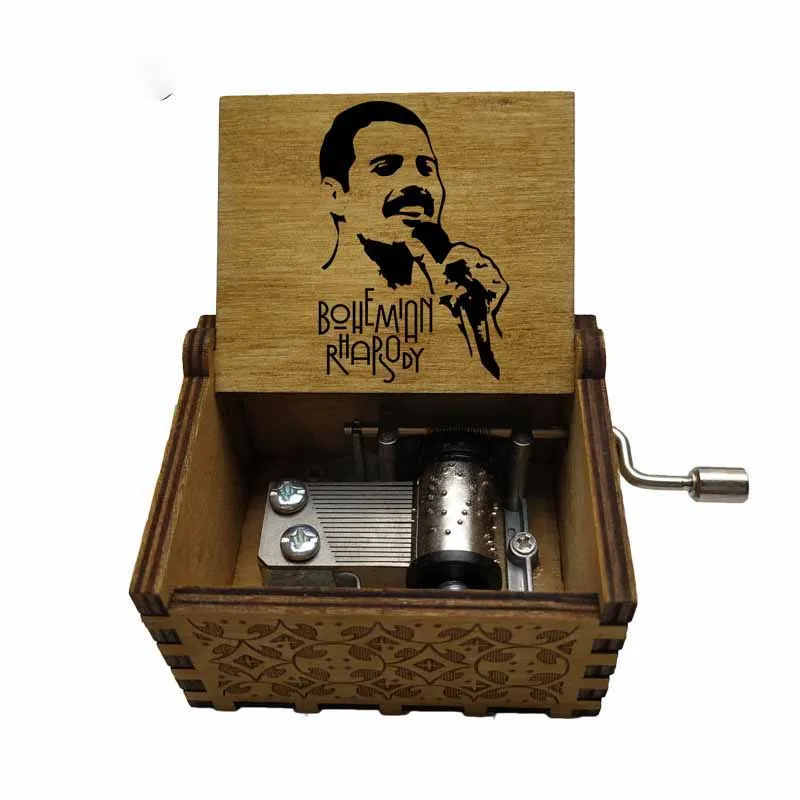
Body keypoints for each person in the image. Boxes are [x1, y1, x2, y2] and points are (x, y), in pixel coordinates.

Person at [319, 101, 509, 379]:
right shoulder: (313, 308)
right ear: (334, 196)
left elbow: (503, 386)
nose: (416, 182)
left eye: (426, 168)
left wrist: (483, 322)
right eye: (385, 168)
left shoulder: (456, 304)